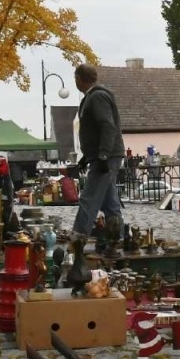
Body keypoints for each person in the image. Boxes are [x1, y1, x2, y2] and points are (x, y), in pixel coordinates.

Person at [71, 62, 126, 242]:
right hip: (105, 155)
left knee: (89, 198)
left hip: (106, 156)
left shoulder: (96, 97)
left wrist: (103, 155)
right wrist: (87, 157)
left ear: (79, 78)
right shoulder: (95, 96)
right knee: (110, 203)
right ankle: (117, 238)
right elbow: (98, 130)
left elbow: (107, 126)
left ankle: (78, 238)